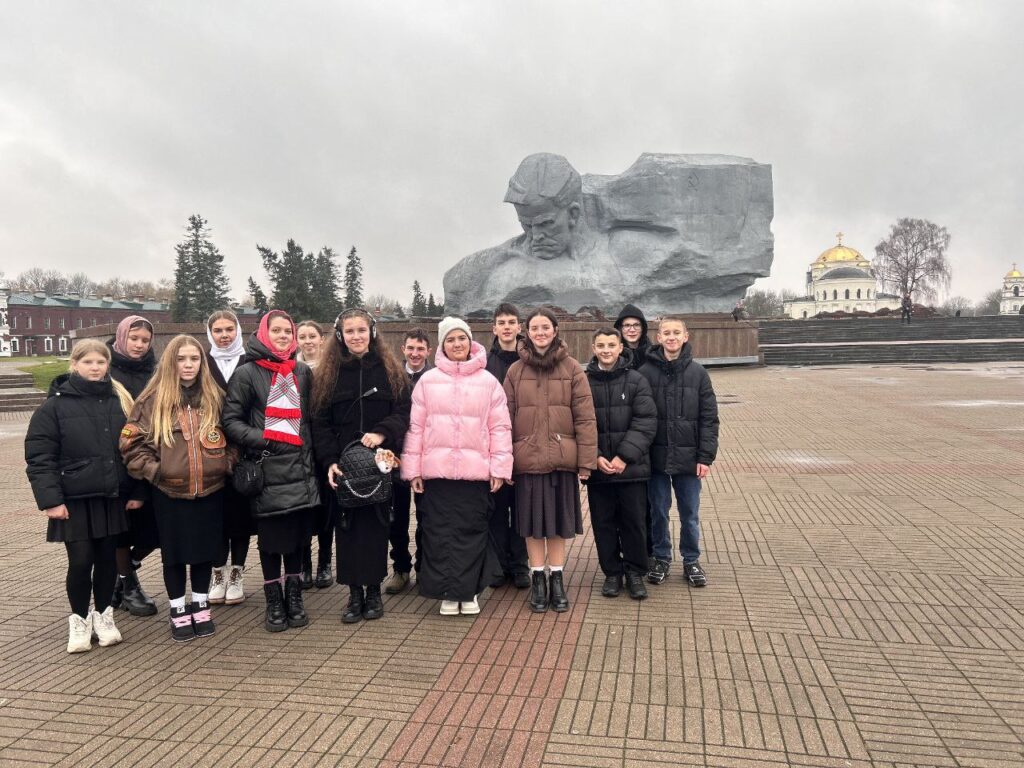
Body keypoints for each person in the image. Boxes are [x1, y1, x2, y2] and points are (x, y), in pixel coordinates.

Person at [120, 335, 234, 642]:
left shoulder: (215, 396)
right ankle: (178, 608)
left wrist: (224, 464)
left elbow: (234, 436)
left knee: (203, 553)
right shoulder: (152, 400)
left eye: (194, 359)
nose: (188, 365)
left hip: (211, 490)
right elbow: (131, 444)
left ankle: (200, 604)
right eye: (181, 359)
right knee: (174, 555)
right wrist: (157, 471)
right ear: (170, 362)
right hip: (169, 492)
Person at [25, 340, 137, 653]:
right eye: (88, 362)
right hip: (74, 499)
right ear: (74, 364)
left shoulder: (119, 401)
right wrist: (51, 500)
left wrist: (136, 490)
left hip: (110, 495)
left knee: (107, 560)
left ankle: (103, 615)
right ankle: (79, 620)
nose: (95, 367)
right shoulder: (54, 407)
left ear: (108, 365)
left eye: (100, 362)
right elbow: (40, 456)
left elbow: (135, 450)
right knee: (81, 560)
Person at [401, 317, 512, 615]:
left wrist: (499, 468)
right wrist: (413, 470)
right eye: (450, 339)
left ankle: (469, 592)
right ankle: (447, 594)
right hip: (437, 474)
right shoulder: (428, 381)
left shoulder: (488, 381)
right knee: (438, 534)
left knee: (472, 532)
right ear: (442, 345)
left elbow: (500, 428)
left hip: (475, 474)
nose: (457, 344)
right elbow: (416, 428)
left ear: (470, 341)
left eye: (461, 338)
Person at [223, 311, 320, 633]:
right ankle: (274, 600)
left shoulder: (302, 371)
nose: (282, 336)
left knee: (296, 540)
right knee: (271, 542)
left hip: (300, 469)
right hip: (268, 469)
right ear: (263, 334)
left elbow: (310, 419)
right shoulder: (246, 373)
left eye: (287, 331)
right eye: (276, 331)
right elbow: (231, 421)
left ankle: (294, 596)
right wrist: (265, 439)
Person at [311, 309, 410, 623]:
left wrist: (382, 432)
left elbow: (404, 412)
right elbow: (320, 423)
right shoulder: (328, 374)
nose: (356, 336)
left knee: (377, 529)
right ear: (341, 335)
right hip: (344, 466)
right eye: (350, 331)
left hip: (379, 465)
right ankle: (354, 594)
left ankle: (373, 592)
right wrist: (330, 461)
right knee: (348, 531)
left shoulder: (390, 371)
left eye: (361, 330)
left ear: (372, 333)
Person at [503, 307, 597, 613]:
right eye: (535, 328)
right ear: (527, 332)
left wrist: (586, 462)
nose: (540, 332)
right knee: (532, 526)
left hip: (561, 460)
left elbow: (585, 418)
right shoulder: (515, 371)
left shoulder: (573, 369)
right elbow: (504, 420)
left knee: (557, 524)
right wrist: (504, 462)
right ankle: (537, 580)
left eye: (545, 327)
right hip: (527, 460)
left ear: (555, 331)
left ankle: (557, 578)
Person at [639, 317, 719, 588]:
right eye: (666, 333)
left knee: (689, 514)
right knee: (658, 512)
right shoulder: (645, 372)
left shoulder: (698, 373)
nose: (671, 337)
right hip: (656, 458)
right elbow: (640, 416)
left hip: (689, 460)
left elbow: (709, 419)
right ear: (658, 337)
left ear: (686, 336)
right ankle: (661, 557)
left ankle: (691, 560)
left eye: (676, 332)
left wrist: (705, 457)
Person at [585, 328, 657, 600]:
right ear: (594, 348)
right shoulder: (584, 382)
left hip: (631, 469)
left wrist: (624, 456)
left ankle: (635, 572)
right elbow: (579, 423)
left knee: (634, 522)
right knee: (603, 523)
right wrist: (595, 456)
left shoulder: (636, 380)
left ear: (620, 348)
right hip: (599, 469)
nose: (606, 350)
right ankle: (612, 573)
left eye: (611, 345)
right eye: (601, 345)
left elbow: (646, 421)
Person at [107, 315, 160, 618]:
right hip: (118, 460)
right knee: (123, 531)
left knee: (155, 533)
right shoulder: (107, 370)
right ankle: (129, 587)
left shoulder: (155, 371)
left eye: (145, 340)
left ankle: (121, 576)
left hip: (152, 460)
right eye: (134, 338)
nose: (139, 345)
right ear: (122, 336)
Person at [205, 310, 253, 607]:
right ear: (210, 333)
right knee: (214, 515)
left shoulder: (248, 361)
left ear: (238, 331)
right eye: (218, 330)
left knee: (240, 515)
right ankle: (217, 573)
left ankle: (236, 572)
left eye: (229, 329)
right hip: (209, 448)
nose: (224, 335)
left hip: (243, 447)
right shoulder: (203, 361)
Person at [484, 303, 529, 589]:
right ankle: (499, 565)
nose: (507, 327)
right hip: (493, 448)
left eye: (512, 322)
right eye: (502, 323)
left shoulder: (529, 360)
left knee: (521, 509)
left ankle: (521, 565)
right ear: (494, 328)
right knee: (497, 510)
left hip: (523, 444)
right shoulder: (485, 363)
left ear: (519, 327)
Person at [384, 328, 433, 595]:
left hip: (426, 457)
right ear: (403, 349)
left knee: (426, 515)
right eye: (411, 348)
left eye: (420, 349)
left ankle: (424, 566)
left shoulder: (436, 377)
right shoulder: (392, 376)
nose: (415, 353)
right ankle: (401, 567)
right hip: (397, 456)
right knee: (397, 517)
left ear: (429, 351)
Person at [295, 320, 334, 590]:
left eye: (312, 336)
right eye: (303, 336)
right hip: (299, 447)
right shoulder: (291, 368)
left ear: (322, 339)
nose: (308, 341)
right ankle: (305, 564)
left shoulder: (332, 366)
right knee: (304, 507)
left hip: (325, 445)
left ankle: (325, 562)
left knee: (326, 507)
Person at [613, 304, 652, 371]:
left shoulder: (653, 354)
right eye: (627, 325)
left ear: (642, 328)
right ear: (620, 328)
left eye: (636, 325)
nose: (632, 330)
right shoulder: (613, 355)